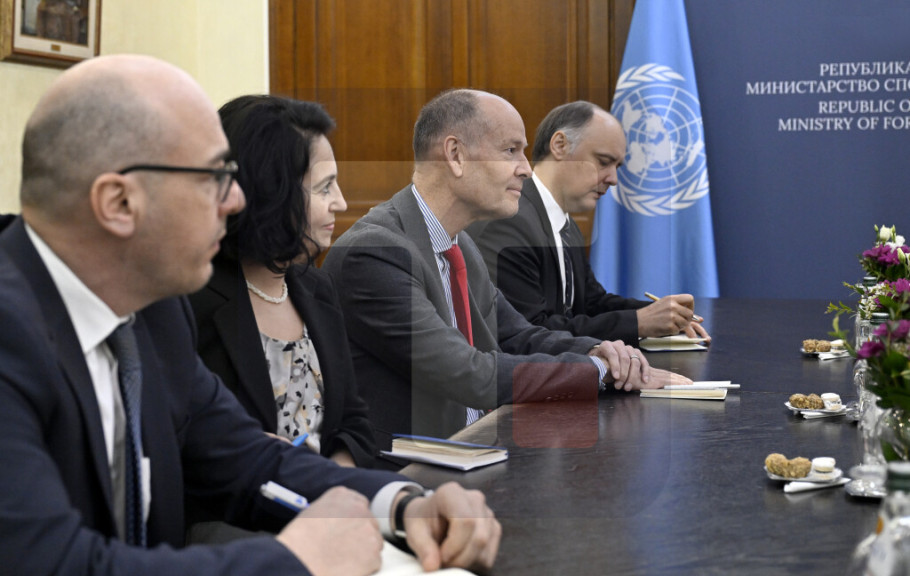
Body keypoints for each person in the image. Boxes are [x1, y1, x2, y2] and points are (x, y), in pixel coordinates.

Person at [0, 55, 500, 576]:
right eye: (215, 177)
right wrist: (293, 562)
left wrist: (404, 504)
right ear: (119, 203)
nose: (236, 199)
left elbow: (247, 459)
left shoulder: (156, 314)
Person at [322, 89, 689, 444]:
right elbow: (467, 373)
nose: (526, 169)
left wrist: (600, 351)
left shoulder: (459, 243)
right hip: (409, 469)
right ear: (456, 155)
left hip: (480, 447)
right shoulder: (373, 252)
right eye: (511, 150)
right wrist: (598, 371)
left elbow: (518, 336)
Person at [188, 95, 374, 468]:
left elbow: (353, 420)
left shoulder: (316, 288)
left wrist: (334, 480)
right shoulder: (192, 301)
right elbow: (189, 442)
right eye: (324, 187)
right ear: (271, 192)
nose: (340, 202)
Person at [468, 101, 712, 346]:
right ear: (560, 145)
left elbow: (591, 303)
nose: (613, 179)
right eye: (603, 162)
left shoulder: (565, 225)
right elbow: (529, 331)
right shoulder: (508, 222)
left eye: (616, 166)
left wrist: (664, 315)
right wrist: (638, 322)